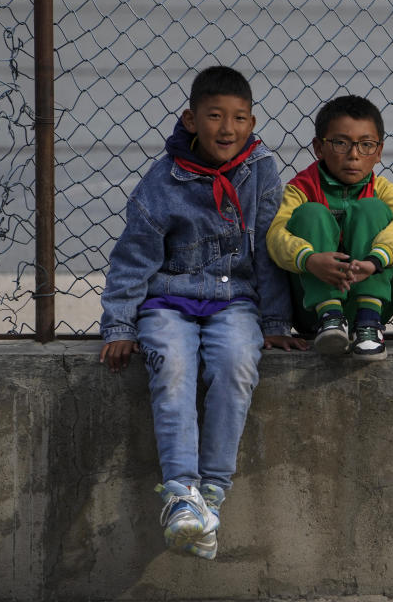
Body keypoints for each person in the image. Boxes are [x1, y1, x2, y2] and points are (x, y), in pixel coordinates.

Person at [99, 66, 307, 560]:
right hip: (167, 298)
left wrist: (275, 324)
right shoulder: (161, 181)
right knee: (172, 366)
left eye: (238, 118)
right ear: (191, 119)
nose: (227, 129)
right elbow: (134, 258)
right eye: (215, 116)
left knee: (236, 363)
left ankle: (210, 494)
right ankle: (180, 493)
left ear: (252, 122)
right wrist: (121, 324)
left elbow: (268, 254)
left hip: (234, 298)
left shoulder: (260, 170)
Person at [265, 95, 393, 361]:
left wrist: (375, 260)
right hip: (311, 307)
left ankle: (369, 325)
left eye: (366, 145)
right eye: (340, 143)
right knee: (310, 213)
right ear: (319, 147)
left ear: (379, 152)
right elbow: (276, 235)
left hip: (373, 298)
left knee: (372, 209)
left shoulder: (382, 190)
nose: (354, 155)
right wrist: (309, 259)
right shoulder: (300, 189)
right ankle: (330, 317)